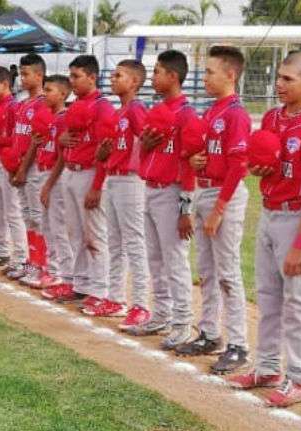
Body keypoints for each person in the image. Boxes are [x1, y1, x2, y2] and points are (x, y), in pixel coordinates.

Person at [228, 51, 301, 401]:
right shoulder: (273, 117)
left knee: (300, 301)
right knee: (268, 296)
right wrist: (259, 168)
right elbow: (264, 161)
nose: (279, 84)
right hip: (271, 211)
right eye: (279, 76)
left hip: (298, 216)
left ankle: (300, 377)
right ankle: (268, 366)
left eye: (288, 79)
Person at [178, 45, 251, 374]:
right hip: (205, 190)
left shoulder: (236, 113)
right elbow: (203, 154)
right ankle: (209, 332)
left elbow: (238, 165)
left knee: (227, 273)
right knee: (206, 270)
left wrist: (219, 208)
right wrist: (194, 161)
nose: (204, 77)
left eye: (210, 71)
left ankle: (238, 344)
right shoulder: (211, 112)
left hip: (225, 196)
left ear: (230, 75)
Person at [129, 50, 196, 350]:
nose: (153, 77)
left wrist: (186, 209)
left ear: (172, 76)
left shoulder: (186, 114)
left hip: (172, 193)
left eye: (157, 72)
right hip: (150, 189)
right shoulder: (157, 110)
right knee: (155, 258)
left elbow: (190, 167)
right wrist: (145, 145)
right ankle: (162, 314)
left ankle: (183, 323)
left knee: (175, 260)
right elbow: (145, 154)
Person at [40, 55, 115, 308]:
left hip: (89, 173)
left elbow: (107, 150)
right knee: (76, 233)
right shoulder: (77, 105)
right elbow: (69, 137)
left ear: (92, 77)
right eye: (70, 76)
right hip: (71, 172)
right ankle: (79, 282)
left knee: (95, 235)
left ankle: (100, 288)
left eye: (76, 76)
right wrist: (62, 140)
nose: (72, 82)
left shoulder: (103, 107)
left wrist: (97, 185)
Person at [83, 59, 151, 332]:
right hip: (115, 176)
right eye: (112, 75)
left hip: (131, 180)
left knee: (134, 242)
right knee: (115, 242)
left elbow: (147, 142)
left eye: (118, 75)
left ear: (134, 81)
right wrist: (104, 156)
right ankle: (115, 297)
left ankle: (141, 304)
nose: (112, 79)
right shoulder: (120, 111)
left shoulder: (135, 109)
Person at [8, 54, 57, 287]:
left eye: (26, 73)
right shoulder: (22, 104)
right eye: (20, 73)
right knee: (28, 217)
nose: (22, 77)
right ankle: (33, 262)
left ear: (39, 75)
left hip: (34, 168)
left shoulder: (42, 103)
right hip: (20, 167)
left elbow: (36, 142)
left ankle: (45, 266)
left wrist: (23, 169)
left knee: (38, 218)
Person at [0, 65, 27, 273]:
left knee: (13, 212)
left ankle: (21, 256)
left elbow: (17, 139)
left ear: (5, 84)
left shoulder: (12, 106)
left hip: (8, 163)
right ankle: (1, 251)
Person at [35, 75, 74, 291]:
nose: (44, 94)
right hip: (44, 172)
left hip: (55, 176)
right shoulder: (50, 118)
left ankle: (63, 273)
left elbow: (62, 156)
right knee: (47, 225)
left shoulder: (64, 118)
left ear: (63, 94)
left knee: (58, 226)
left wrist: (49, 184)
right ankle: (52, 269)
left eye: (49, 90)